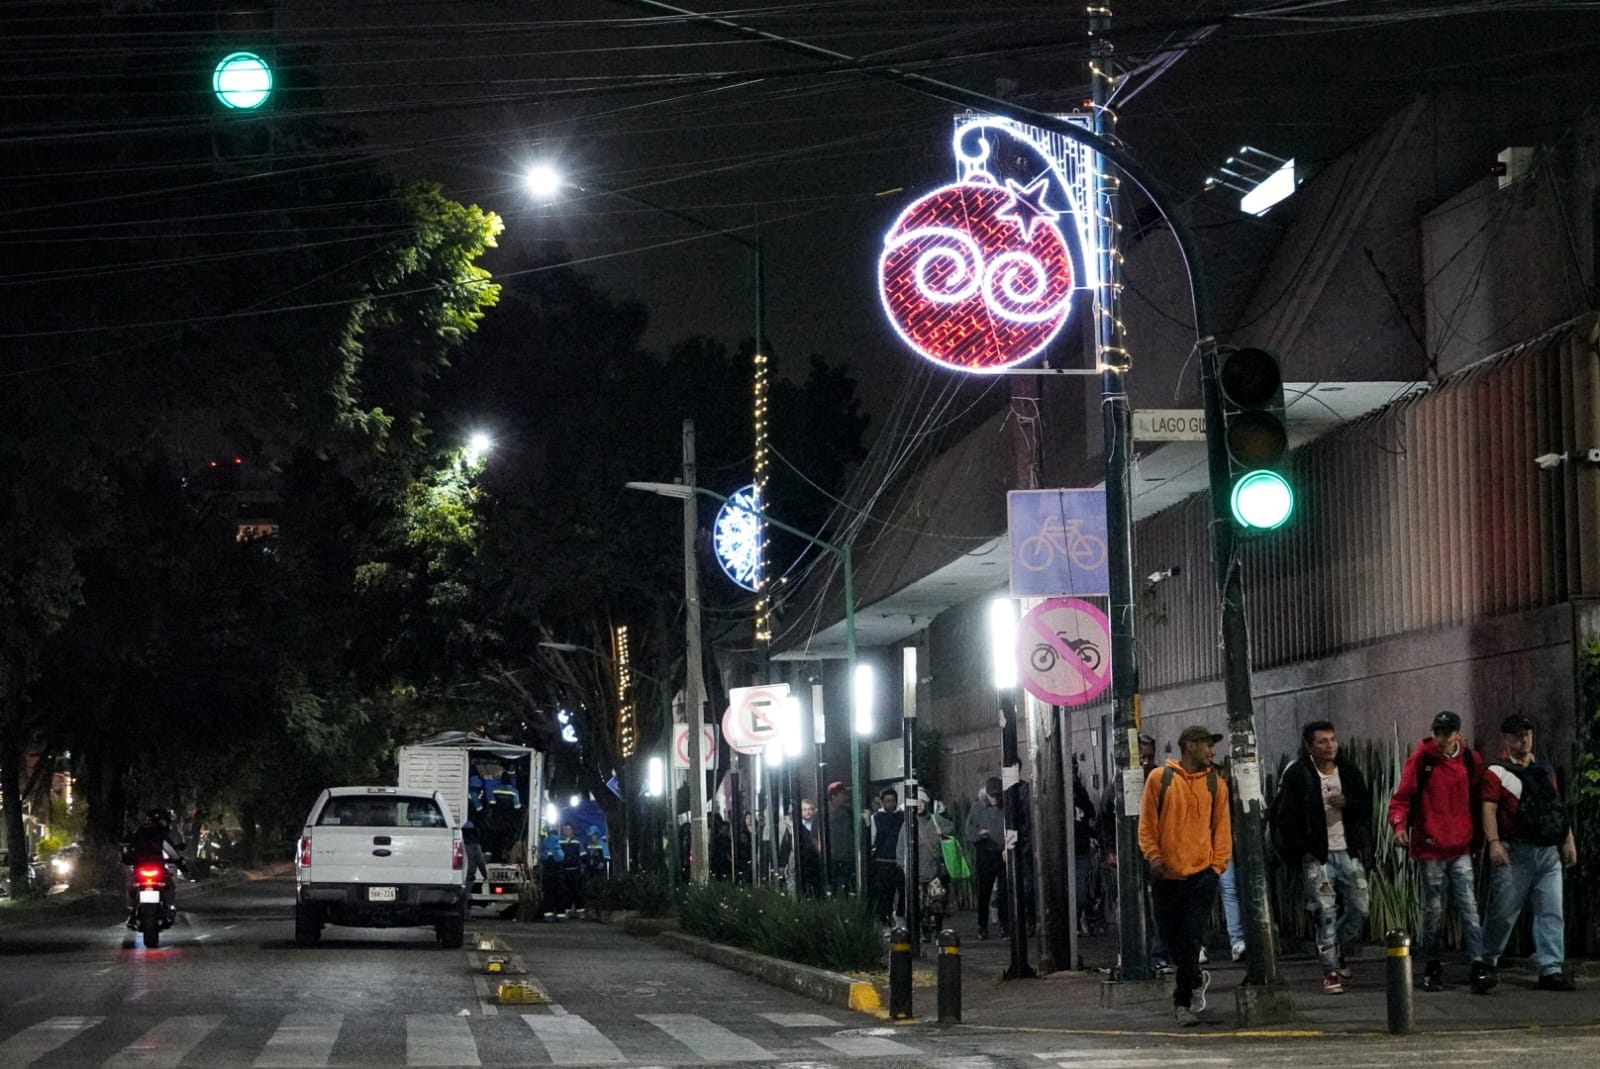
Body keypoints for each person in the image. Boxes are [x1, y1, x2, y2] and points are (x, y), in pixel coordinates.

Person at [1388, 710, 1490, 992]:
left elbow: (1480, 797)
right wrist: (1399, 826)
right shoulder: (1422, 760)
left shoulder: (1471, 761)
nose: (1441, 738)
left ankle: (1478, 964)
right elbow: (1402, 798)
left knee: (1468, 907)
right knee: (1433, 910)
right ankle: (1433, 964)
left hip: (1460, 845)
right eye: (1437, 733)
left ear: (1458, 734)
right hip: (1432, 847)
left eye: (1447, 733)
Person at [1476, 714, 1579, 993]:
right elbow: (1489, 808)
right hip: (1515, 850)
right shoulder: (1497, 771)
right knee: (1504, 911)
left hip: (1546, 851)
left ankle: (1551, 968)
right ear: (1507, 739)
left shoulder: (1544, 769)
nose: (1524, 740)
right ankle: (1486, 961)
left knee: (1551, 910)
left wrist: (1567, 839)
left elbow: (1555, 807)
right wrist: (1494, 842)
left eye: (1527, 734)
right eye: (1518, 735)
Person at [1138, 725, 1231, 1027]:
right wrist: (1154, 857)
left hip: (1202, 875)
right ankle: (1194, 977)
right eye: (1207, 745)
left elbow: (1222, 830)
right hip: (1166, 875)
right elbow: (1147, 826)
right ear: (1190, 746)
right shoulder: (1159, 780)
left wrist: (1216, 867)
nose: (1212, 751)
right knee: (1171, 937)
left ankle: (1182, 1002)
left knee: (1191, 938)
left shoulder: (1216, 784)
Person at [1271, 720, 1373, 994]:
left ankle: (1335, 949)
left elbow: (1366, 805)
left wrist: (1348, 803)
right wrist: (1302, 850)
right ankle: (1329, 970)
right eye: (1322, 741)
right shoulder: (1298, 774)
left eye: (1332, 739)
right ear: (1309, 746)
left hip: (1348, 851)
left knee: (1360, 907)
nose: (1330, 746)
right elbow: (1284, 817)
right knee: (1325, 913)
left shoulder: (1348, 770)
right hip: (1318, 856)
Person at [898, 789, 948, 941]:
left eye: (922, 802)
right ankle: (924, 931)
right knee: (919, 906)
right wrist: (903, 865)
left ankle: (938, 930)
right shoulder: (907, 824)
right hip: (916, 872)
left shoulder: (936, 820)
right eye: (916, 802)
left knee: (937, 903)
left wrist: (943, 833)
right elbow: (901, 847)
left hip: (935, 871)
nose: (919, 805)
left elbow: (953, 829)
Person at [124, 808, 188, 922]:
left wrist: (129, 859)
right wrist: (180, 862)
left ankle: (132, 913)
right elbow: (170, 850)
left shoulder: (140, 832)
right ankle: (168, 908)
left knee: (132, 886)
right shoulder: (159, 834)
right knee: (169, 886)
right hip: (155, 866)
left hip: (141, 867)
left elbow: (129, 849)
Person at [964, 777, 1008, 940]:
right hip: (985, 853)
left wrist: (1008, 847)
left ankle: (1005, 925)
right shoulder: (978, 807)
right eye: (992, 795)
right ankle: (982, 925)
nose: (995, 798)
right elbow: (968, 830)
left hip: (1003, 853)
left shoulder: (1006, 806)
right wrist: (978, 835)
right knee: (984, 891)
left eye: (997, 795)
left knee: (1004, 892)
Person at [868, 787, 906, 924]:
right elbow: (873, 837)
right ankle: (886, 917)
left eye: (893, 800)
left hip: (899, 861)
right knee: (885, 893)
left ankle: (899, 916)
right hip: (883, 860)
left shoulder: (903, 816)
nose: (891, 803)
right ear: (882, 802)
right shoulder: (876, 818)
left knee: (902, 891)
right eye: (888, 801)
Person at [778, 798, 825, 898]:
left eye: (810, 809)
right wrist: (782, 865)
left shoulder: (818, 826)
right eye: (804, 809)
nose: (808, 812)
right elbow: (785, 846)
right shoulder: (794, 828)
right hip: (802, 863)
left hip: (815, 863)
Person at [826, 782, 855, 894]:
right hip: (831, 861)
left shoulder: (848, 812)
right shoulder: (822, 813)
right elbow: (814, 836)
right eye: (842, 794)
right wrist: (825, 853)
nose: (845, 797)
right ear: (834, 796)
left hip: (848, 859)